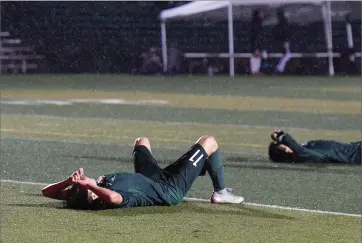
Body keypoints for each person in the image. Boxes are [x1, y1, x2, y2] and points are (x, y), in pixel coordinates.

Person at [41, 136, 244, 210]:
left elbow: (46, 192)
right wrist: (89, 185)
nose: (80, 180)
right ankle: (220, 192)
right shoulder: (107, 198)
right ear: (91, 194)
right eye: (80, 184)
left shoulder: (79, 196)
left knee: (141, 141)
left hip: (151, 178)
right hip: (169, 188)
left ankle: (199, 168)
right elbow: (113, 197)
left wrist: (67, 181)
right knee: (209, 142)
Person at [268, 128, 361, 164]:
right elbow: (297, 149)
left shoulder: (303, 150)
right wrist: (281, 136)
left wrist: (281, 135)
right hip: (356, 154)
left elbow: (295, 145)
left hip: (355, 147)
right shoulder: (303, 156)